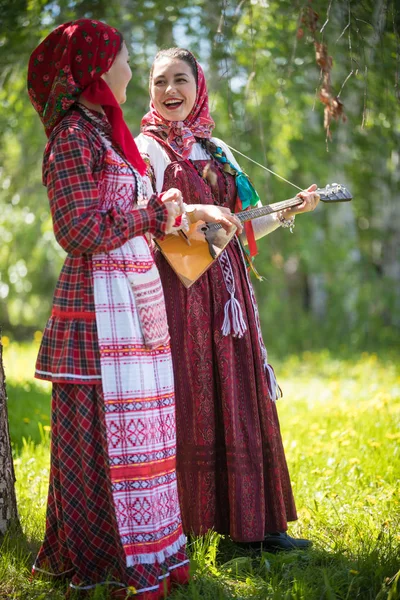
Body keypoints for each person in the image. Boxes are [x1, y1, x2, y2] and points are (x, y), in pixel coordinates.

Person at [27, 22, 190, 598]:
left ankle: (147, 546)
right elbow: (76, 230)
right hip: (96, 314)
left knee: (141, 432)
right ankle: (105, 558)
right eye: (123, 60)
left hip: (132, 301)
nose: (130, 70)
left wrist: (160, 202)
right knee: (100, 435)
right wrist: (147, 217)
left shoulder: (106, 131)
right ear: (97, 69)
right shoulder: (74, 135)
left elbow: (120, 209)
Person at [136, 48, 320, 551]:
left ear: (200, 86)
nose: (170, 91)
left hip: (229, 299)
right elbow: (142, 218)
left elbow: (246, 222)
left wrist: (289, 211)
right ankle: (190, 528)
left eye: (181, 80)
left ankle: (257, 527)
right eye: (160, 82)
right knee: (191, 397)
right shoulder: (143, 150)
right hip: (177, 291)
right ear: (149, 89)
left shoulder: (217, 149)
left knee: (241, 393)